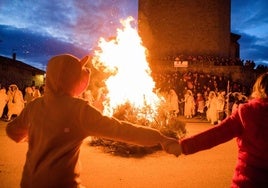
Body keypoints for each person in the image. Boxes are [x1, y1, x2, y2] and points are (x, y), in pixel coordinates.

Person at [6, 54, 181, 188]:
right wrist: (161, 138)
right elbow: (122, 130)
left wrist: (32, 136)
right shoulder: (79, 110)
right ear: (71, 79)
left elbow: (12, 131)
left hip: (29, 183)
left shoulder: (34, 106)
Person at [179, 72, 268, 187]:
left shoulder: (246, 112)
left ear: (259, 89)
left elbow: (215, 134)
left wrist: (183, 146)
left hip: (248, 180)